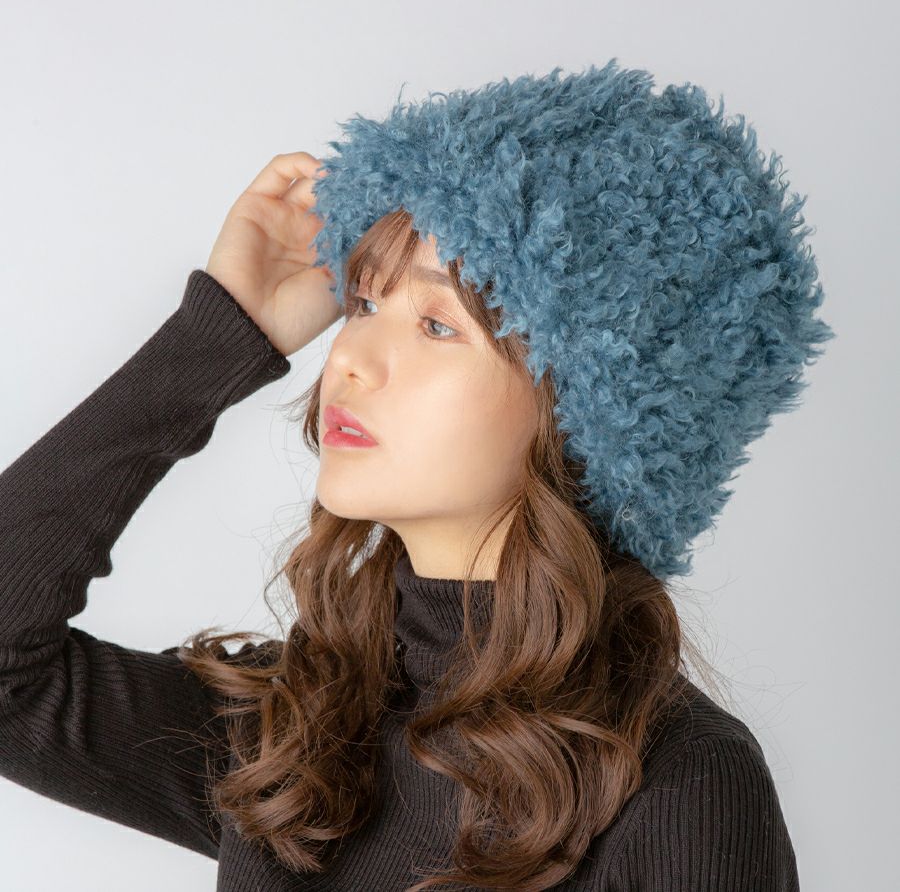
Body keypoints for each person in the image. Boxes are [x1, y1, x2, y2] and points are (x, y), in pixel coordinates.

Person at [1, 61, 828, 890]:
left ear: (583, 408)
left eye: (436, 324)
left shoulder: (680, 785)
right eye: (364, 302)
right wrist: (218, 335)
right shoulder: (297, 734)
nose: (350, 358)